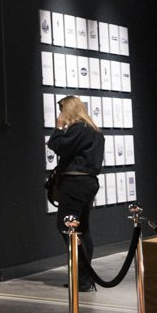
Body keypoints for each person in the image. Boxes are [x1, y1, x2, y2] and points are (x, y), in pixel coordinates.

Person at [48, 94, 104, 292]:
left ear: (69, 109)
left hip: (75, 183)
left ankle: (84, 277)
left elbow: (57, 146)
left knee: (66, 226)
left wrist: (58, 128)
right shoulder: (93, 130)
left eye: (62, 110)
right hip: (88, 182)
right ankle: (84, 278)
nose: (60, 114)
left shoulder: (79, 129)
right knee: (83, 229)